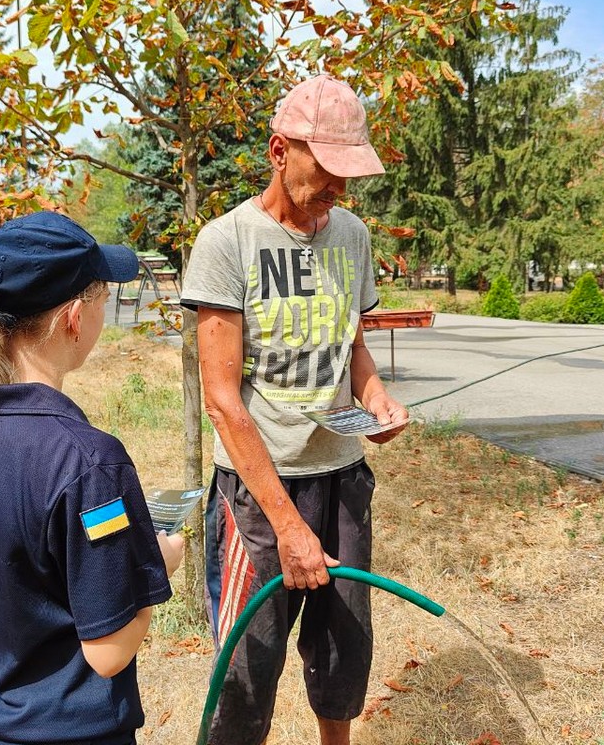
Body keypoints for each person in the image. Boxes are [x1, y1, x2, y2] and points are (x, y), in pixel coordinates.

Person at [180, 75, 410, 745]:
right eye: (327, 171)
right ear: (279, 151)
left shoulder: (353, 237)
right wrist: (286, 525)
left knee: (342, 651)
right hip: (258, 490)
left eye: (350, 174)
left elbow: (353, 347)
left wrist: (376, 398)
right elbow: (222, 401)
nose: (340, 190)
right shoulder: (229, 242)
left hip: (341, 475)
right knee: (248, 667)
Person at [0, 211, 185, 745]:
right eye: (102, 302)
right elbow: (107, 653)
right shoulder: (89, 463)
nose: (102, 318)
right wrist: (158, 562)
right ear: (72, 318)